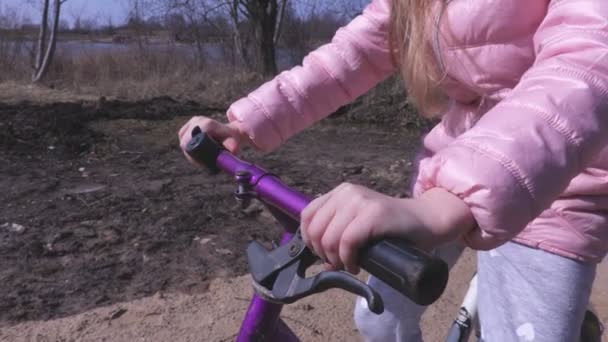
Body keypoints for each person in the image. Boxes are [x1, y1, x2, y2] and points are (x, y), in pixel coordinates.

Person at [179, 0, 608, 340]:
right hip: (451, 170)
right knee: (379, 319)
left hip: (562, 189)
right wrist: (247, 123)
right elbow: (351, 54)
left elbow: (586, 63)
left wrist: (447, 204)